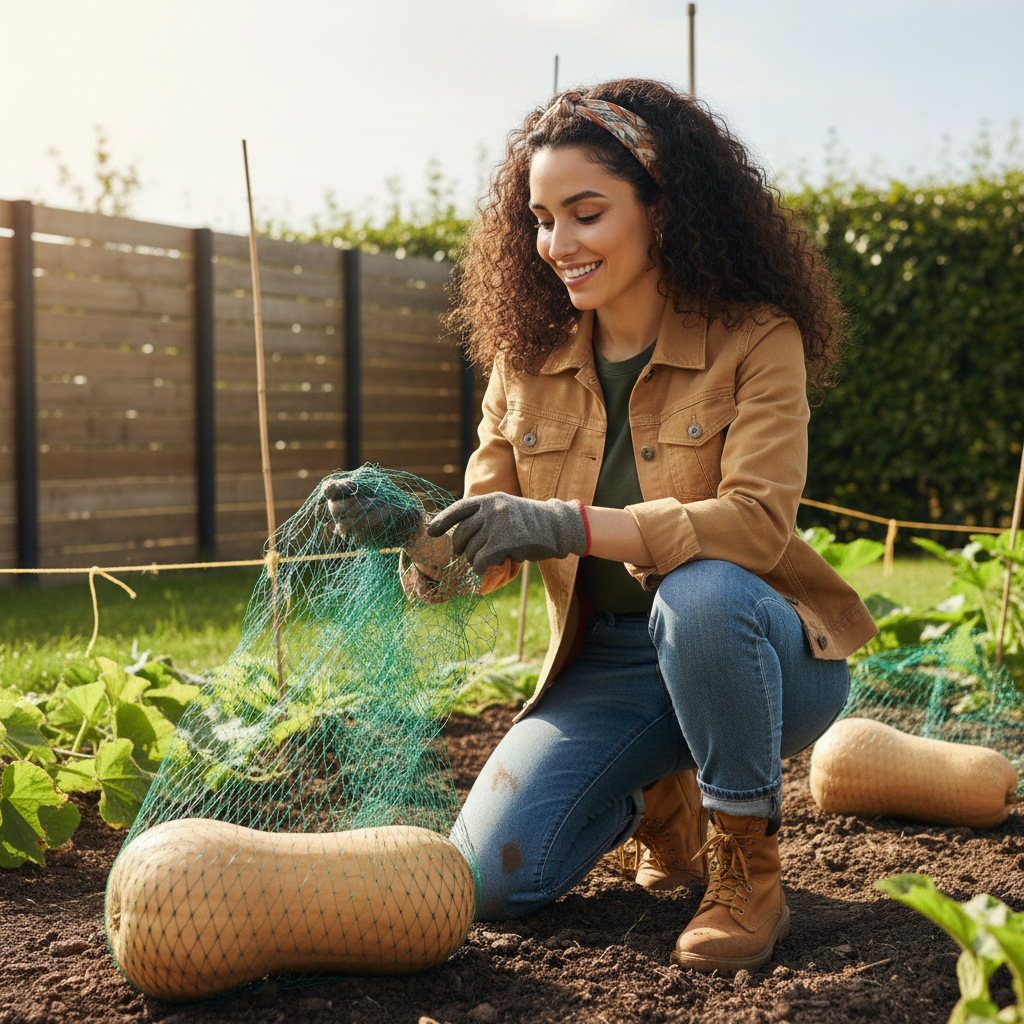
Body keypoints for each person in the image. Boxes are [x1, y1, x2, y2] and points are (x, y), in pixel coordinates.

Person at [329, 79, 878, 974]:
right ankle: (662, 798)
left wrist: (564, 521)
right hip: (613, 661)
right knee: (493, 880)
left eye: (587, 213)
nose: (558, 245)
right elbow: (483, 560)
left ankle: (748, 869)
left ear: (663, 207)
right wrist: (412, 537)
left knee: (700, 591)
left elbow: (753, 529)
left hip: (765, 650)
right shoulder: (523, 362)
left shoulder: (755, 338)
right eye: (542, 219)